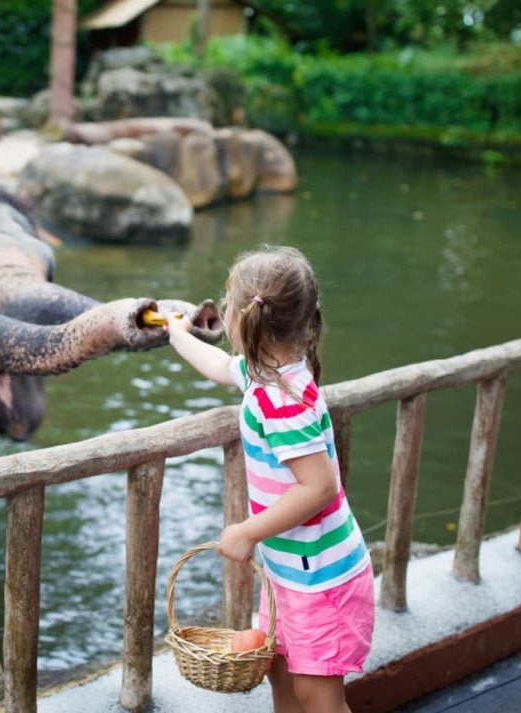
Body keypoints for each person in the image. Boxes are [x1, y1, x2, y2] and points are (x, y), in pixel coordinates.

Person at [163, 245, 374, 713]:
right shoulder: (268, 375)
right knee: (279, 676)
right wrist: (178, 334)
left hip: (323, 579)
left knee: (316, 697)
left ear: (241, 316)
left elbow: (318, 487)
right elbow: (221, 366)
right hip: (292, 573)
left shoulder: (281, 401)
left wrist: (246, 531)